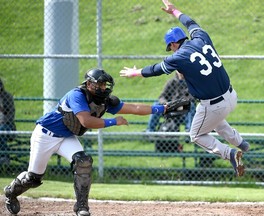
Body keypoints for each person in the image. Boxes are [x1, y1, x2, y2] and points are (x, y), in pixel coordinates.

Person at [3, 68, 167, 216]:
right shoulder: (77, 95)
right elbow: (86, 121)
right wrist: (113, 122)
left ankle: (82, 206)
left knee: (83, 161)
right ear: (89, 83)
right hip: (45, 135)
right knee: (33, 178)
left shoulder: (103, 101)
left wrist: (163, 108)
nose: (103, 88)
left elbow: (134, 108)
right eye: (100, 84)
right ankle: (11, 193)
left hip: (66, 137)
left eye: (105, 85)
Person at [120, 0, 250, 177]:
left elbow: (155, 69)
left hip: (212, 104)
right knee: (215, 121)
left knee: (196, 135)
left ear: (174, 44)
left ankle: (231, 154)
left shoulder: (179, 56)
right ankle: (241, 142)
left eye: (170, 47)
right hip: (231, 96)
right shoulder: (201, 37)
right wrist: (174, 11)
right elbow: (190, 22)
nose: (171, 51)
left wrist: (135, 72)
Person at [0, 78, 16, 164]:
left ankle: (4, 157)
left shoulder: (7, 97)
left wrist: (2, 121)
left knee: (1, 131)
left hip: (7, 126)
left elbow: (10, 115)